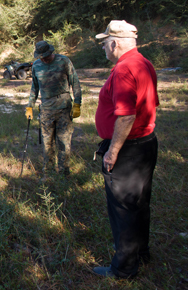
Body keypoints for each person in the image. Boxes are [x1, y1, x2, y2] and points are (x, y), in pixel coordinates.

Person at [93, 20, 159, 278]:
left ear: (114, 43)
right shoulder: (143, 62)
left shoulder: (123, 70)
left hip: (128, 150)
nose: (104, 50)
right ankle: (140, 252)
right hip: (145, 143)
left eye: (103, 45)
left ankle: (123, 268)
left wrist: (112, 152)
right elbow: (153, 100)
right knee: (139, 204)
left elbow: (126, 117)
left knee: (123, 209)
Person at [25, 41, 82, 178]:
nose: (44, 59)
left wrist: (77, 104)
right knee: (47, 143)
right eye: (41, 56)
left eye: (46, 56)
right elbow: (35, 87)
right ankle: (48, 173)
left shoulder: (64, 61)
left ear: (51, 52)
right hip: (46, 110)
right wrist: (29, 106)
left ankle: (63, 173)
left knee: (63, 142)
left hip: (64, 108)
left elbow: (75, 82)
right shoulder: (37, 66)